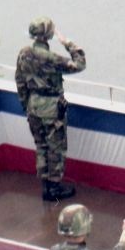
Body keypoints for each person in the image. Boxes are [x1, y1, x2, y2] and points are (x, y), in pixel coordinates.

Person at [16, 17, 86, 200]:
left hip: (33, 106)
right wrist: (67, 43)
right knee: (56, 148)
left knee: (41, 146)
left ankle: (45, 186)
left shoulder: (24, 53)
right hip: (51, 108)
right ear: (48, 35)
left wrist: (27, 106)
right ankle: (54, 188)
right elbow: (80, 64)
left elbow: (20, 82)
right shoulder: (51, 58)